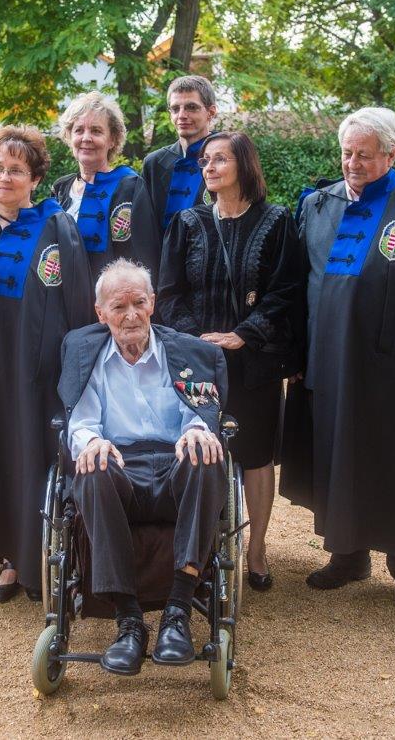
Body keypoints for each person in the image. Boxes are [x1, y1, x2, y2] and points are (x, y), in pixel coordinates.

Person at [280, 107, 395, 609]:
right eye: (347, 153)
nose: (352, 163)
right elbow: (299, 283)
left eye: (364, 154)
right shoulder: (316, 205)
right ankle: (347, 554)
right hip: (329, 361)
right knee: (337, 454)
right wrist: (296, 351)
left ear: (392, 153)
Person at [0, 125, 95, 601]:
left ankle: (45, 558)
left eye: (16, 170)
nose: (4, 178)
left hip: (37, 372)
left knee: (36, 461)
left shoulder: (57, 228)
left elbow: (78, 304)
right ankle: (10, 559)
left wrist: (77, 375)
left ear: (34, 178)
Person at [60, 260, 228, 676]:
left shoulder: (187, 352)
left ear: (153, 303)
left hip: (175, 466)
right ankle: (129, 621)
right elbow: (79, 423)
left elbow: (203, 411)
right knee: (91, 468)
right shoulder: (86, 353)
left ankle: (177, 610)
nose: (131, 315)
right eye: (119, 307)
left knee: (206, 456)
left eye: (139, 302)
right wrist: (93, 443)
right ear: (100, 313)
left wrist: (197, 429)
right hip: (120, 468)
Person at [157, 131, 303, 592]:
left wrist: (244, 334)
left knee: (255, 456)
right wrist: (196, 338)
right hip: (197, 362)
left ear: (244, 164)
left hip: (253, 361)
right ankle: (196, 551)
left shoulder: (277, 221)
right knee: (195, 451)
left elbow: (286, 291)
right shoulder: (187, 221)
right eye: (205, 160)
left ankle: (255, 550)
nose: (209, 167)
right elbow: (169, 291)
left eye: (220, 159)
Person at [52, 92, 162, 278]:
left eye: (96, 131)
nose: (86, 138)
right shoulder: (61, 188)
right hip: (65, 299)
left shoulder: (130, 186)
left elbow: (144, 256)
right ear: (69, 136)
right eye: (79, 130)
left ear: (112, 139)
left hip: (113, 297)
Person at [141, 75, 222, 235]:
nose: (182, 115)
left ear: (211, 112)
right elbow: (145, 226)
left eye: (191, 107)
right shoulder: (154, 163)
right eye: (175, 108)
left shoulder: (230, 158)